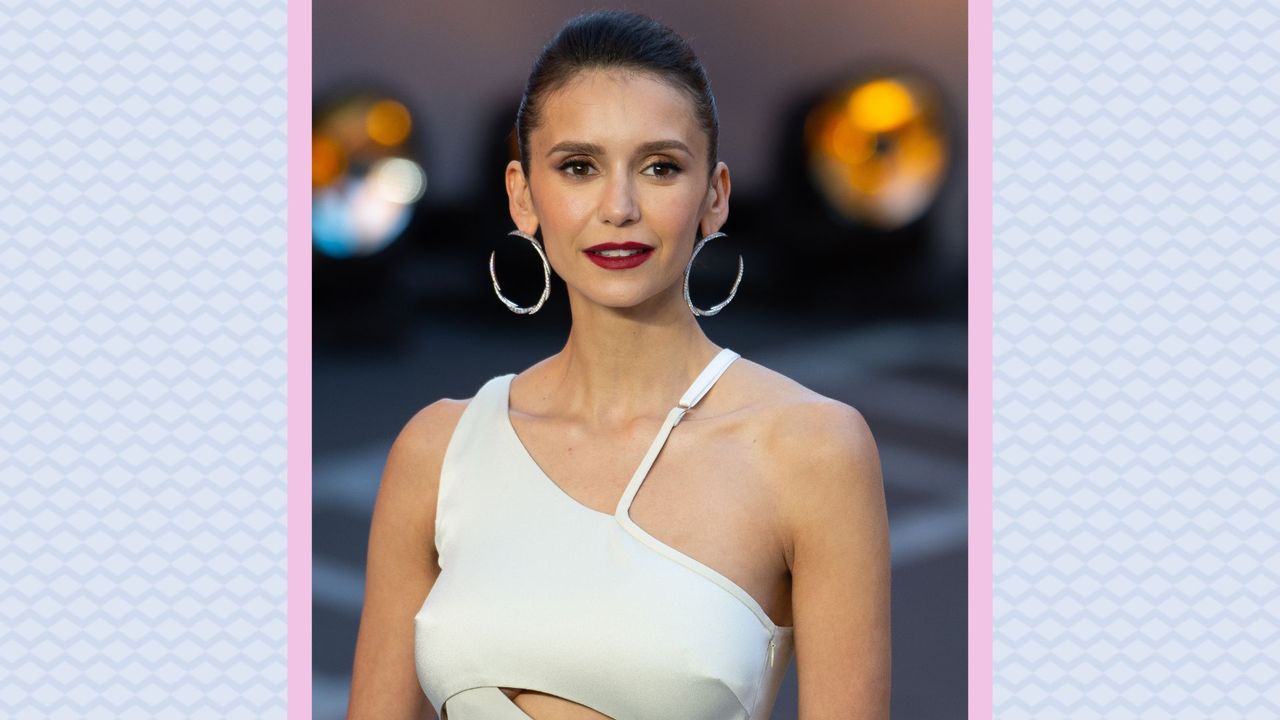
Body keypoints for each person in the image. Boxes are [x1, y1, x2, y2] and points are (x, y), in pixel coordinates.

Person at [346, 10, 890, 720]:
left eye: (660, 167)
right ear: (521, 194)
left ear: (715, 195)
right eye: (579, 167)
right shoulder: (437, 451)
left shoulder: (812, 451)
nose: (620, 207)